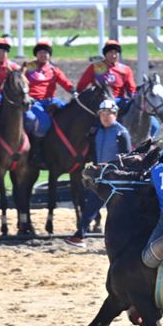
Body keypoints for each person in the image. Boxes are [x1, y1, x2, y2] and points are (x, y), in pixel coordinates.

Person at [64, 99, 132, 247]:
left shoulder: (121, 132)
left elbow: (125, 158)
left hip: (115, 179)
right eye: (102, 114)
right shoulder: (98, 132)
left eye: (108, 114)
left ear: (115, 114)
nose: (105, 117)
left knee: (114, 211)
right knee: (91, 206)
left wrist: (108, 167)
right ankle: (79, 235)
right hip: (101, 178)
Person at [22, 39, 76, 161]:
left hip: (50, 100)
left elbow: (65, 82)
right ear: (36, 54)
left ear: (49, 55)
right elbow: (20, 82)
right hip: (33, 101)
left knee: (70, 112)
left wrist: (73, 91)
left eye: (46, 53)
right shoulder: (28, 67)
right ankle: (36, 148)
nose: (43, 55)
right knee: (44, 122)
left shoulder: (53, 70)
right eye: (40, 52)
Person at [76, 39, 136, 111]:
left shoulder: (125, 69)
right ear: (105, 53)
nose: (113, 55)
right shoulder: (95, 67)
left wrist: (134, 97)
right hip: (100, 102)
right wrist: (76, 95)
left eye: (116, 52)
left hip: (119, 102)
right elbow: (82, 84)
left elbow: (132, 89)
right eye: (110, 52)